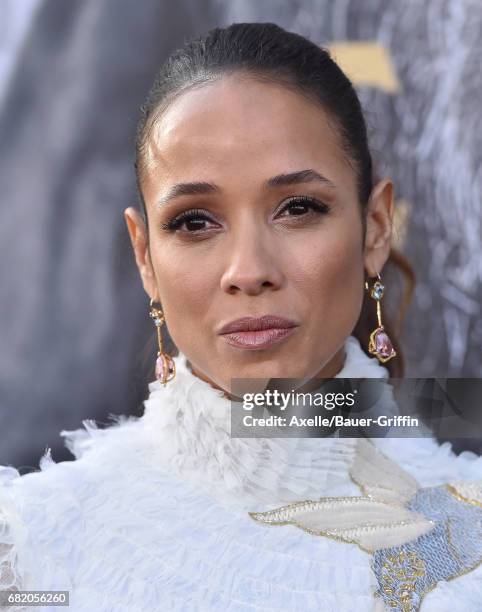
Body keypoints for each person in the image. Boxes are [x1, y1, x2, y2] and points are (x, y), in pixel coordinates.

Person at [1, 22, 481, 612]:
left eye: (298, 208)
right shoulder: (32, 551)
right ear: (145, 255)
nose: (248, 270)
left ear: (375, 227)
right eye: (194, 221)